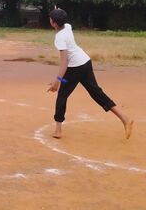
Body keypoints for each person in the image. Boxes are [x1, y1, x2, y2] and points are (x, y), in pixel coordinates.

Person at [46, 8, 133, 140]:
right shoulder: (67, 27)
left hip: (74, 69)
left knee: (62, 95)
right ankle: (124, 118)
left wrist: (58, 80)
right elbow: (61, 20)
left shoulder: (59, 38)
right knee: (96, 92)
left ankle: (58, 130)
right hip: (85, 62)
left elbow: (65, 60)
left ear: (53, 23)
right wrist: (57, 11)